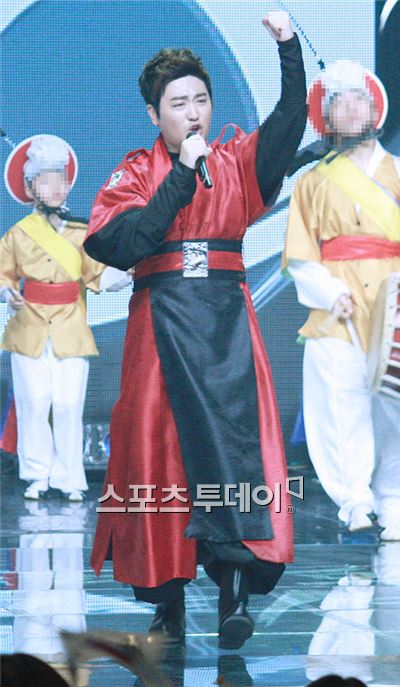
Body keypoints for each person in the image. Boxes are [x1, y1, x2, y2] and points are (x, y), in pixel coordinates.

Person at [84, 11, 307, 649]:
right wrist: (182, 172)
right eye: (178, 104)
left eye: (200, 100)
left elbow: (289, 121)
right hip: (159, 326)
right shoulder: (135, 172)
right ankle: (167, 603)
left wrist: (289, 47)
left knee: (235, 453)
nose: (192, 113)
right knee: (157, 454)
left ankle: (236, 593)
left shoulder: (236, 161)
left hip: (227, 323)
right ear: (154, 114)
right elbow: (124, 242)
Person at [283, 61, 400, 538]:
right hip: (336, 306)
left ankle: (392, 498)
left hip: (392, 305)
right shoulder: (311, 182)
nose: (349, 109)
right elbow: (300, 252)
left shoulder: (397, 172)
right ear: (326, 117)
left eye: (358, 100)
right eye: (339, 102)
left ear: (374, 111)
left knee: (392, 409)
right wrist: (330, 293)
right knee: (339, 400)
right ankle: (355, 498)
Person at [0, 134, 130, 501]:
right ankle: (37, 475)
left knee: (69, 403)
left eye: (60, 178)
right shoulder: (18, 235)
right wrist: (8, 293)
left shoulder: (81, 232)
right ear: (31, 187)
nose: (55, 187)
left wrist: (127, 272)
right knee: (35, 402)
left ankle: (69, 477)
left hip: (71, 326)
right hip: (29, 327)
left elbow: (97, 275)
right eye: (45, 180)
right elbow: (3, 275)